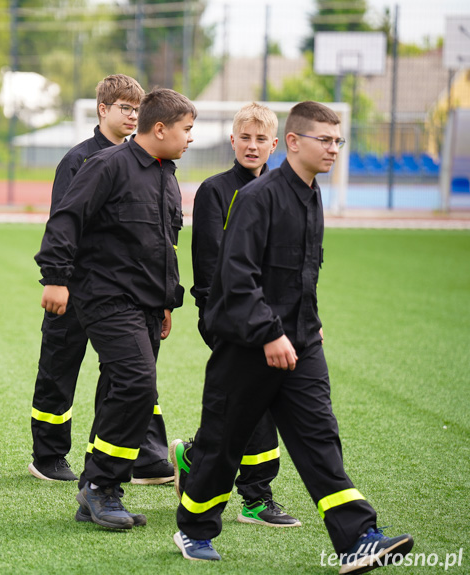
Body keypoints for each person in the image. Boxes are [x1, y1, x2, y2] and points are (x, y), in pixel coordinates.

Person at [172, 101, 413, 573]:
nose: (333, 149)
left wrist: (308, 323)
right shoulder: (258, 198)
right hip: (247, 348)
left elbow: (302, 274)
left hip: (300, 345)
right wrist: (267, 333)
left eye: (337, 140)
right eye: (324, 140)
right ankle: (193, 528)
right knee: (223, 445)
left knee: (320, 438)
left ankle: (358, 537)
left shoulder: (312, 194)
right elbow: (234, 277)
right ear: (295, 143)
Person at [36, 88, 195, 529]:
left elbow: (164, 243)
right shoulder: (106, 166)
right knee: (137, 383)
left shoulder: (166, 174)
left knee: (123, 392)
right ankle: (100, 487)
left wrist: (166, 301)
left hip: (147, 304)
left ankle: (98, 489)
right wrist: (55, 277)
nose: (191, 138)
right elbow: (66, 220)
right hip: (105, 297)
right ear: (159, 128)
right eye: (187, 129)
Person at [170, 102, 301, 527]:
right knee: (258, 398)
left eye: (261, 139)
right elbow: (208, 263)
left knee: (243, 402)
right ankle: (256, 497)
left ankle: (192, 456)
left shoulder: (286, 191)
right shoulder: (215, 190)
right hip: (227, 316)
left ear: (275, 145)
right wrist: (217, 317)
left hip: (273, 320)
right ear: (232, 140)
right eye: (245, 137)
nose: (252, 145)